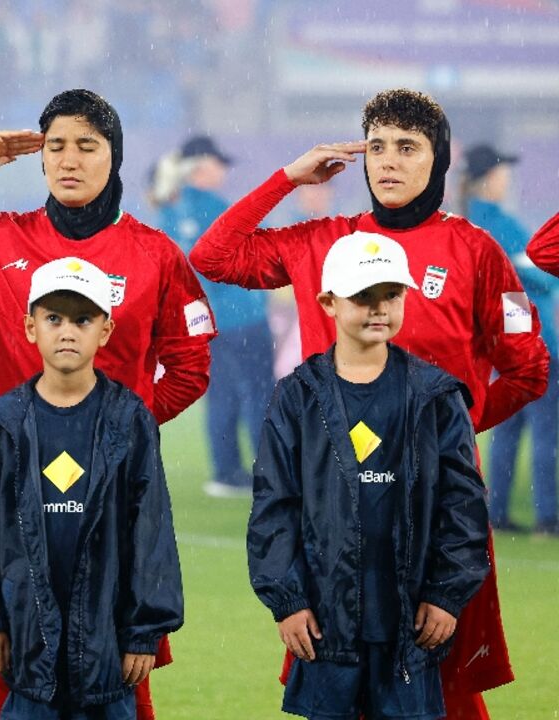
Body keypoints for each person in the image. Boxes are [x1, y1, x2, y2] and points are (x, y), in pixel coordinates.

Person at [190, 88, 546, 718]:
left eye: (407, 147)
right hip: (332, 504)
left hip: (438, 510)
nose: (387, 161)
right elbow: (213, 256)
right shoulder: (320, 242)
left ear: (438, 160)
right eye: (376, 146)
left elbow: (528, 367)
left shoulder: (475, 251)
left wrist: (451, 435)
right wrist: (287, 177)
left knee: (446, 691)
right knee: (336, 684)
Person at [0, 87, 211, 719]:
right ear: (40, 159)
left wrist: (114, 436)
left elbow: (190, 367)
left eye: (87, 145)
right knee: (14, 677)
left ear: (116, 157)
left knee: (124, 681)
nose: (69, 159)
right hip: (8, 499)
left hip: (109, 504)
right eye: (55, 146)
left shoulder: (154, 255)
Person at [249, 231, 490, 720]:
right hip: (324, 622)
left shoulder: (436, 396)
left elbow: (463, 508)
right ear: (328, 303)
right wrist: (288, 600)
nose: (379, 308)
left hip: (412, 623)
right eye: (363, 296)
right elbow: (275, 506)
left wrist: (446, 594)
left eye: (391, 295)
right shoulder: (298, 397)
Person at [0, 257, 184, 719]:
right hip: (26, 647)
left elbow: (151, 533)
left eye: (82, 319)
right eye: (53, 318)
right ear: (30, 327)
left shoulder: (129, 419)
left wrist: (143, 632)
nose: (67, 331)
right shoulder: (2, 421)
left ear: (106, 331)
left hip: (108, 649)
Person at [158, 135, 273, 497]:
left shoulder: (171, 210)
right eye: (218, 163)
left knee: (221, 395)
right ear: (201, 166)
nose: (223, 170)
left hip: (206, 322)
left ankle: (226, 472)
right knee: (259, 394)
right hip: (244, 317)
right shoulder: (218, 208)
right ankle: (268, 472)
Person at [462, 145, 559, 537]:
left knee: (509, 428)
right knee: (545, 429)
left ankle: (498, 509)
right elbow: (539, 277)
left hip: (501, 339)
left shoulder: (467, 223)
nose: (508, 180)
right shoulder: (502, 223)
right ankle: (547, 514)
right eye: (503, 172)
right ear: (490, 178)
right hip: (531, 337)